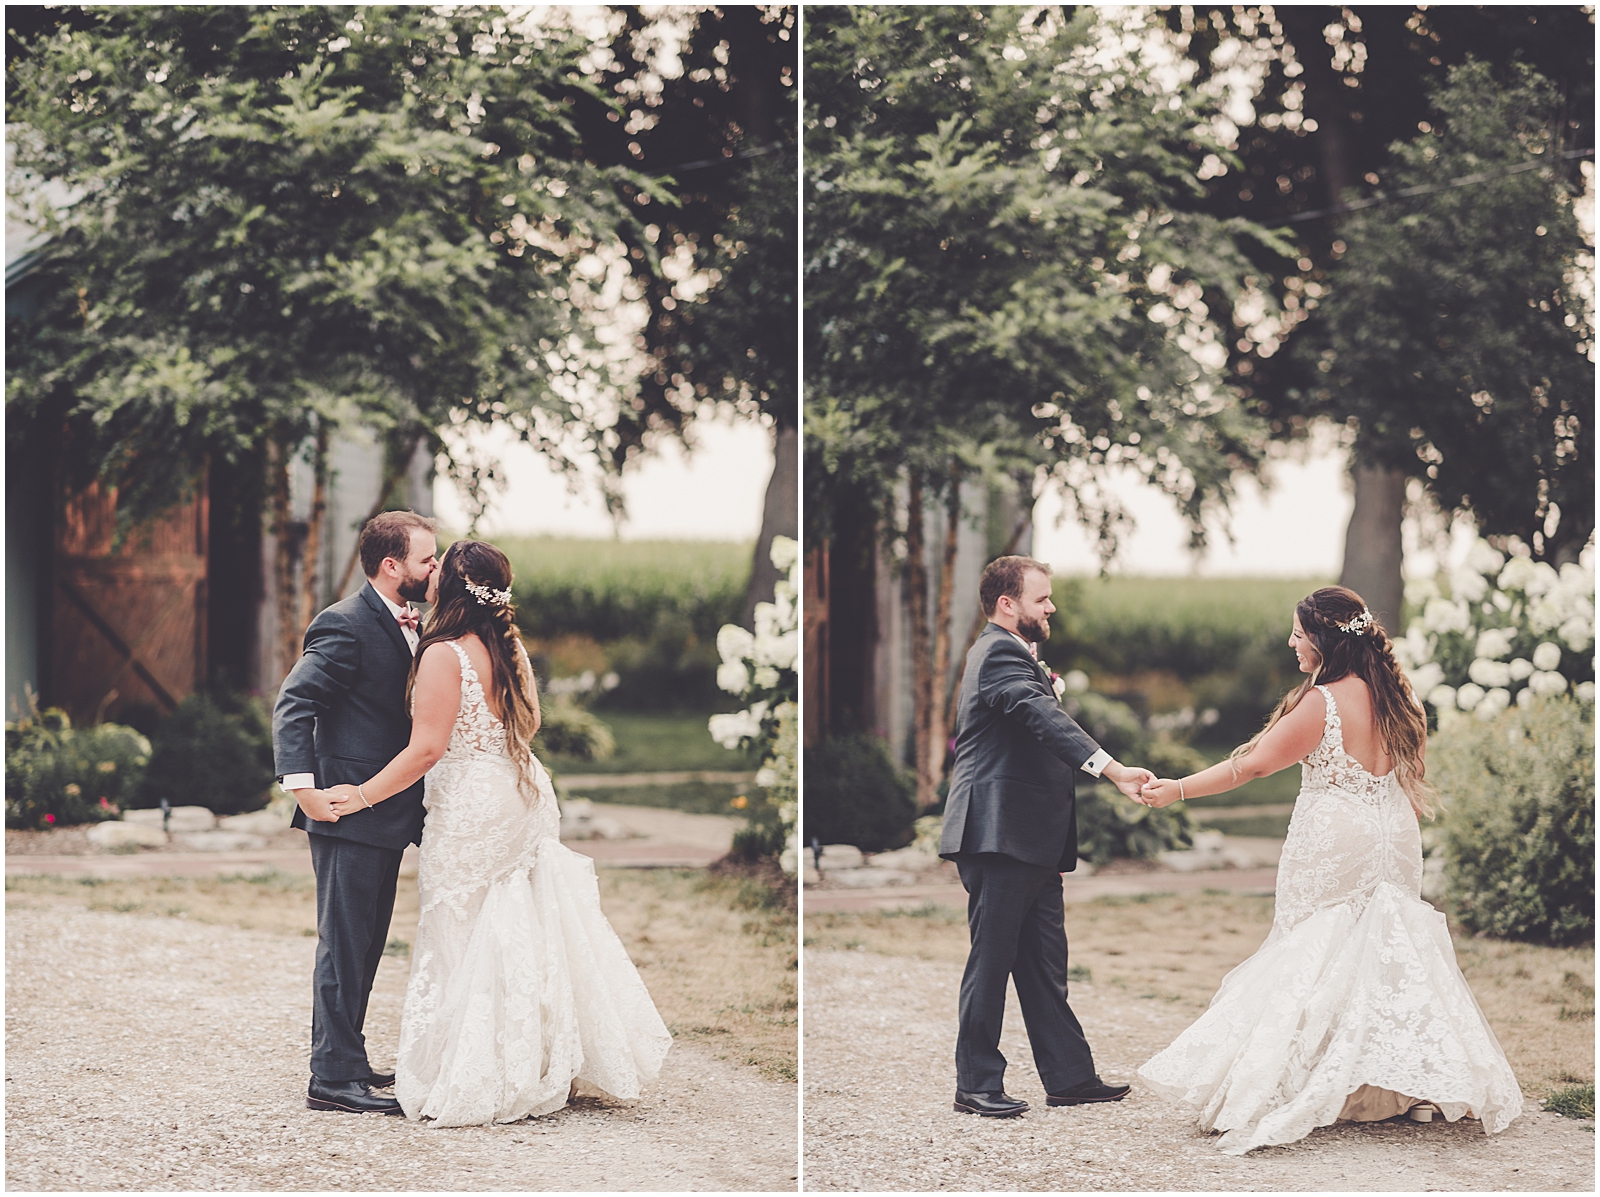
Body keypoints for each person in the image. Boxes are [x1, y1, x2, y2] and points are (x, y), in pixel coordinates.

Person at [1135, 586, 1523, 1154]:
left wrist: (1178, 790)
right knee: (1388, 953)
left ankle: (1318, 1085)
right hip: (1394, 833)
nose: (1292, 642)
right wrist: (1397, 842)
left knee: (1316, 948)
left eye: (1298, 632)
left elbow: (1252, 766)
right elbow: (1411, 783)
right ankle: (1407, 1088)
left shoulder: (1322, 703)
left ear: (1321, 639)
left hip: (1336, 837)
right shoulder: (1401, 699)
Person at [314, 539, 672, 1126]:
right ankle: (527, 1057)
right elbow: (526, 724)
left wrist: (360, 794)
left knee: (461, 923)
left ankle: (479, 1066)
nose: (426, 577)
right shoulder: (508, 648)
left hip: (471, 807)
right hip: (517, 790)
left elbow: (427, 748)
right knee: (513, 921)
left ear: (449, 587)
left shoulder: (444, 655)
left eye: (435, 569)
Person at [938, 555, 1154, 1118]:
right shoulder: (998, 653)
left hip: (1029, 840)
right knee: (992, 960)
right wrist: (1111, 768)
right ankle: (976, 1083)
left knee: (1043, 962)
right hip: (998, 835)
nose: (1051, 606)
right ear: (1007, 604)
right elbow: (1040, 716)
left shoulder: (1015, 654)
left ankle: (1069, 1077)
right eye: (1042, 598)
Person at [273, 510, 439, 1115]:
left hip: (384, 813)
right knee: (343, 944)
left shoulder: (411, 622)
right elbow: (295, 701)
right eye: (426, 558)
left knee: (365, 943)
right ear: (391, 565)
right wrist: (303, 786)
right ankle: (331, 1078)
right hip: (347, 811)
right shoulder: (344, 624)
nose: (434, 567)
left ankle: (348, 1056)